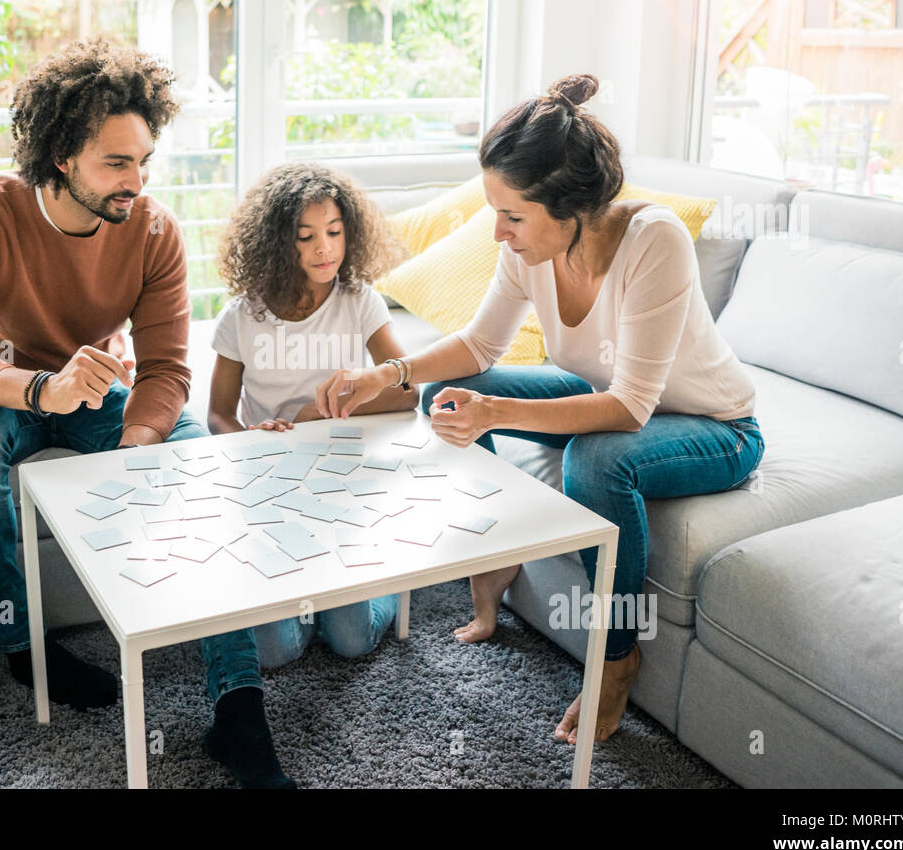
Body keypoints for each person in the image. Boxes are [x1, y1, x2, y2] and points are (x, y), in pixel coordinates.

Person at [312, 74, 764, 746]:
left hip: (716, 428)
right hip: (604, 396)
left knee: (599, 457)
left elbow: (630, 408)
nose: (498, 232)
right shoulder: (531, 250)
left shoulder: (654, 242)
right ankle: (493, 557)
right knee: (450, 392)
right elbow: (478, 344)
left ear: (571, 205)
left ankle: (615, 657)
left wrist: (494, 411)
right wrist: (391, 371)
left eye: (512, 216)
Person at [0, 38, 286, 788]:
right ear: (59, 156)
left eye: (144, 160)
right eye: (117, 163)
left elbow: (170, 368)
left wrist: (141, 440)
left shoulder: (152, 232)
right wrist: (41, 387)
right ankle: (23, 645)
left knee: (193, 454)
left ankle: (238, 709)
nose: (136, 182)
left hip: (93, 394)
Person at [205, 162, 413, 720]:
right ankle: (315, 590)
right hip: (270, 493)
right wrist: (252, 437)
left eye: (335, 231)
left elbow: (409, 391)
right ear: (278, 243)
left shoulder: (359, 300)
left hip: (342, 486)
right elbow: (217, 416)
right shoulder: (241, 318)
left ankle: (384, 581)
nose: (326, 249)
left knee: (351, 641)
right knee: (275, 651)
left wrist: (325, 410)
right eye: (307, 236)